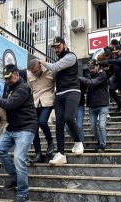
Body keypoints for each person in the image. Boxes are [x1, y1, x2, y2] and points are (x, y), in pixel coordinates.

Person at [0, 64, 38, 202]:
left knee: (19, 158)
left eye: (9, 78)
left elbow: (8, 104)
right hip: (12, 127)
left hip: (26, 127)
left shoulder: (23, 88)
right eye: (5, 79)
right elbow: (3, 104)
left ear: (16, 74)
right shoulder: (8, 86)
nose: (6, 81)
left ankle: (24, 193)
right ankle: (14, 177)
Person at [39, 36, 84, 165]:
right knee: (59, 124)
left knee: (69, 118)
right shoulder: (60, 59)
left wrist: (41, 62)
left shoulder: (71, 57)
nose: (56, 50)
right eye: (54, 48)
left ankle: (78, 142)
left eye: (58, 47)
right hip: (59, 94)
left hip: (72, 92)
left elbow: (55, 67)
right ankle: (61, 154)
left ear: (64, 45)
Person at [27, 59, 54, 163]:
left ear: (40, 66)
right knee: (34, 128)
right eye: (32, 72)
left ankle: (50, 142)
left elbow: (56, 84)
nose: (34, 73)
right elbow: (29, 89)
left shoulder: (50, 71)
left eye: (35, 71)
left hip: (48, 101)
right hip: (35, 102)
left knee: (42, 122)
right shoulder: (29, 75)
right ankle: (38, 154)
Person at [78, 59, 109, 152]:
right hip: (92, 105)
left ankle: (103, 145)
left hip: (103, 104)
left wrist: (79, 78)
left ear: (98, 66)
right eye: (90, 68)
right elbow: (82, 89)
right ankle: (100, 142)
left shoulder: (102, 74)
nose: (91, 70)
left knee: (102, 125)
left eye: (93, 68)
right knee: (93, 127)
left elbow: (93, 83)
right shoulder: (88, 76)